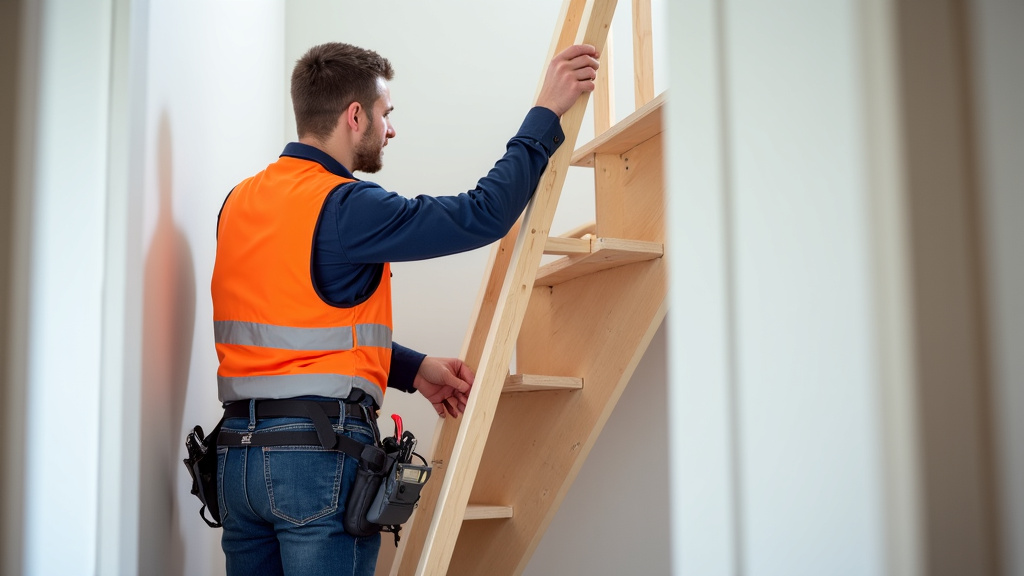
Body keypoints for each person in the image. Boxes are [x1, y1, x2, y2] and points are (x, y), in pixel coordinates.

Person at [210, 41, 600, 576]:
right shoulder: (345, 205)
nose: (389, 129)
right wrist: (546, 112)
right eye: (384, 115)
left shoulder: (238, 203)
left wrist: (414, 369)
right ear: (354, 116)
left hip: (237, 462)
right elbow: (482, 215)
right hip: (314, 463)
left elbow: (298, 325)